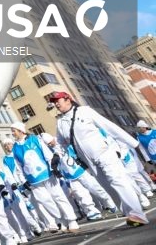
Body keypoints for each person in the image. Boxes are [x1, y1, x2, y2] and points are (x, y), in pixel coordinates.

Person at [51, 90, 149, 227]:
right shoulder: (61, 123)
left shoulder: (84, 111)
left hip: (104, 154)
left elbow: (109, 127)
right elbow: (61, 143)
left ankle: (137, 214)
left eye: (58, 100)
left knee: (118, 181)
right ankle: (129, 215)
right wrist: (56, 155)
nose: (56, 104)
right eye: (54, 102)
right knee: (109, 188)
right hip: (88, 162)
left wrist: (133, 143)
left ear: (68, 99)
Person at [9, 122, 79, 232]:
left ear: (21, 131)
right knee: (44, 200)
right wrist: (23, 180)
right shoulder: (15, 148)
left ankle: (71, 220)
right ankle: (61, 218)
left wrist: (53, 168)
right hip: (33, 180)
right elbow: (18, 167)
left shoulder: (35, 139)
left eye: (14, 131)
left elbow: (47, 154)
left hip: (47, 174)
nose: (12, 133)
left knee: (58, 196)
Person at [39, 133, 110, 220]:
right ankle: (91, 211)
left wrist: (56, 155)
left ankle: (109, 202)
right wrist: (56, 170)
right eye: (48, 144)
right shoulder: (49, 149)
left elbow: (61, 150)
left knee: (94, 188)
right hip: (69, 175)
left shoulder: (60, 142)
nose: (50, 145)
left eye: (50, 142)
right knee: (80, 194)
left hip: (79, 169)